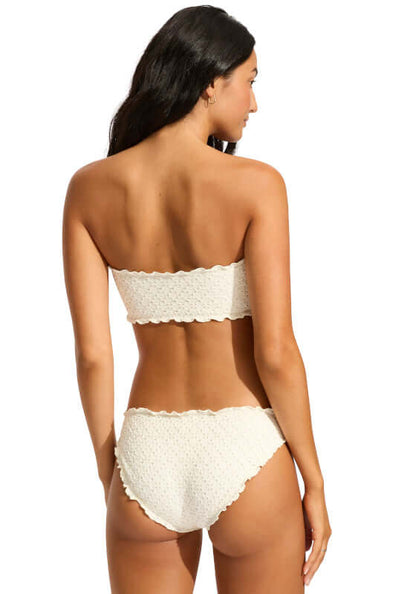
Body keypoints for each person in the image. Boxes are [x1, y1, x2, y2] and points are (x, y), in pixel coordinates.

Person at [62, 5, 332, 593]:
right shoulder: (257, 184)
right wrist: (313, 479)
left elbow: (92, 356)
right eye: (250, 81)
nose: (254, 103)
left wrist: (112, 471)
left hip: (147, 452)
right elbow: (276, 353)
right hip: (248, 447)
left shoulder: (89, 188)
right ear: (211, 82)